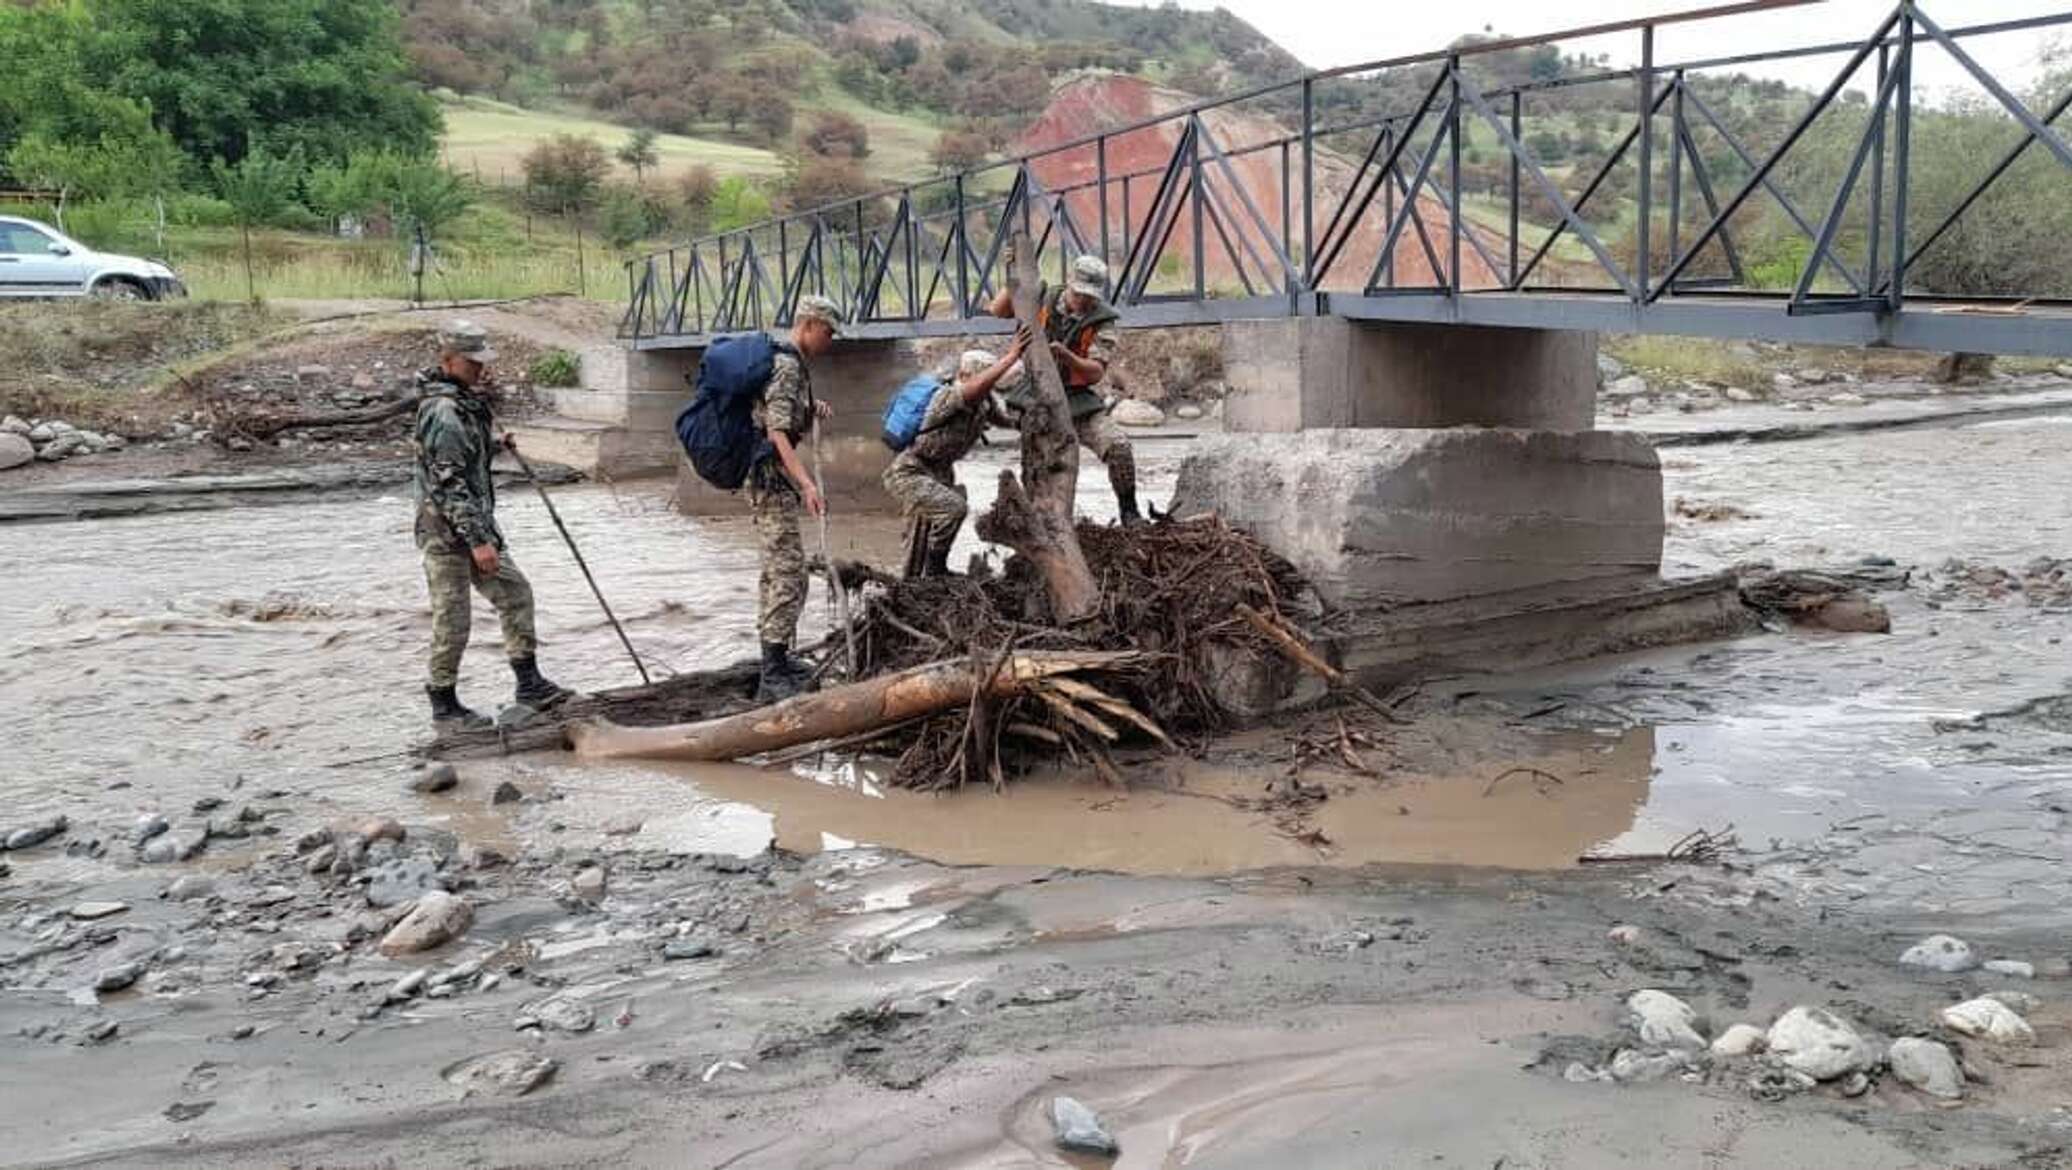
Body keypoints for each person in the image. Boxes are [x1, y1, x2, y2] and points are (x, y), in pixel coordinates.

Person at [412, 320, 571, 731]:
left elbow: (461, 459)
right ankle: (443, 702)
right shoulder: (445, 411)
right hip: (448, 536)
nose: (480, 369)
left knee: (516, 593)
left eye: (481, 361)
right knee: (453, 619)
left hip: (474, 527)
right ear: (447, 360)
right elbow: (449, 485)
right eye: (471, 362)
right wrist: (479, 542)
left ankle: (529, 683)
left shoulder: (462, 402)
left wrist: (495, 445)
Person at [989, 253, 1141, 524]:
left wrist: (1067, 356)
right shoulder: (1043, 296)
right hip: (1034, 398)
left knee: (1118, 446)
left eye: (1090, 296)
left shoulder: (1102, 320)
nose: (1083, 300)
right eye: (1079, 293)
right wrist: (1013, 277)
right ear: (1070, 282)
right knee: (1039, 467)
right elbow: (998, 310)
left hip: (1077, 399)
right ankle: (1038, 520)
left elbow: (1095, 372)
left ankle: (1129, 511)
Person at [748, 293, 841, 701]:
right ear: (807, 325)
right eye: (828, 331)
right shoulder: (787, 366)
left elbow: (776, 410)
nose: (831, 339)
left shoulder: (789, 365)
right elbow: (776, 432)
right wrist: (805, 482)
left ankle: (775, 659)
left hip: (765, 477)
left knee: (775, 569)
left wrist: (810, 406)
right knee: (790, 573)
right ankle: (772, 673)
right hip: (771, 479)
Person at [882, 335, 1030, 578]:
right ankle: (927, 574)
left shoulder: (984, 403)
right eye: (984, 379)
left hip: (940, 472)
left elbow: (1010, 420)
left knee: (930, 526)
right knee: (949, 512)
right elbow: (970, 391)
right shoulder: (948, 396)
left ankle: (929, 577)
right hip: (911, 471)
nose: (987, 388)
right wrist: (1010, 357)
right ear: (966, 376)